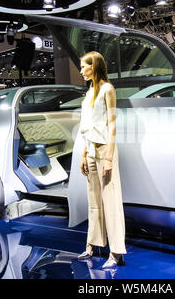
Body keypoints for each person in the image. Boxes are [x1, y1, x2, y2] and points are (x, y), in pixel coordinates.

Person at [77, 51, 127, 269]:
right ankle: (92, 245)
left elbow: (113, 125)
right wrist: (83, 154)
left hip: (105, 149)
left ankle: (116, 252)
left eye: (83, 67)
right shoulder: (89, 92)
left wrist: (108, 158)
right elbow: (87, 126)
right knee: (94, 202)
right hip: (90, 149)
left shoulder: (108, 89)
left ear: (93, 66)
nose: (80, 71)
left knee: (111, 200)